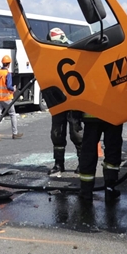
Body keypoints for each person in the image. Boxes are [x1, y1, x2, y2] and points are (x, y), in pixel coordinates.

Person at [45, 28, 79, 175]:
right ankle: (59, 164)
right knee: (57, 134)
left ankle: (83, 163)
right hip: (57, 99)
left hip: (73, 99)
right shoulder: (48, 55)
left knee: (76, 133)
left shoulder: (73, 52)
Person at [77, 114, 124, 202]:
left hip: (91, 113)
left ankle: (86, 191)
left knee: (88, 151)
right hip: (114, 113)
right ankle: (110, 190)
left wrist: (76, 114)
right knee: (113, 150)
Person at [0, 53, 22, 140]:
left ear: (2, 63)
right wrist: (14, 89)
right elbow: (8, 86)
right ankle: (15, 133)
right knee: (12, 114)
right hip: (7, 98)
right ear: (9, 64)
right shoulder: (7, 73)